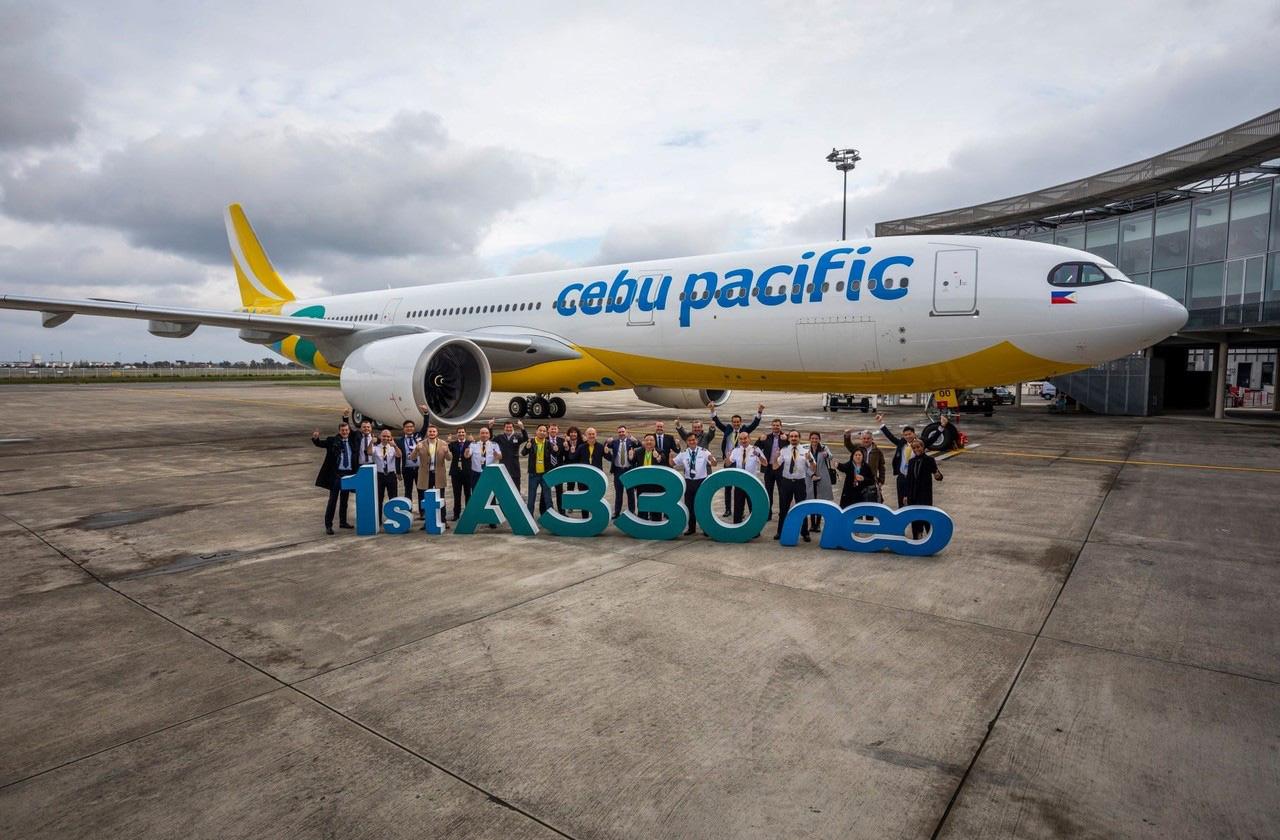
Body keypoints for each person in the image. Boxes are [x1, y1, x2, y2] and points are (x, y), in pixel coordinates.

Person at [711, 402, 764, 515]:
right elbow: (717, 422)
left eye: (737, 422)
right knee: (728, 486)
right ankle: (728, 509)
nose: (736, 423)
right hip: (729, 461)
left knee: (741, 487)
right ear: (732, 423)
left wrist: (759, 412)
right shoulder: (728, 429)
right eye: (734, 422)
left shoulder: (744, 431)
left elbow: (754, 424)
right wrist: (712, 410)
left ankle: (741, 510)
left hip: (741, 462)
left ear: (740, 423)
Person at [312, 420, 358, 534]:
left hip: (348, 474)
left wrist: (346, 418)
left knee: (345, 499)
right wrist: (316, 438)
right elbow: (320, 444)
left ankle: (343, 522)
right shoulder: (332, 440)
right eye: (343, 430)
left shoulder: (352, 441)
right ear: (339, 431)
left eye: (346, 430)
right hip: (336, 474)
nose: (345, 432)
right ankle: (328, 525)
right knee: (333, 500)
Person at [772, 430, 813, 542]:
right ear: (789, 438)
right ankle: (780, 531)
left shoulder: (806, 451)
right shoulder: (784, 451)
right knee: (783, 508)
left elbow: (814, 469)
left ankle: (805, 532)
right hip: (786, 483)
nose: (794, 438)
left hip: (800, 483)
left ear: (799, 438)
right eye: (792, 436)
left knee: (802, 508)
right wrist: (775, 457)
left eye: (796, 436)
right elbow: (775, 467)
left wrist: (809, 459)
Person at [673, 431, 716, 536]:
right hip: (689, 482)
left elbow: (714, 463)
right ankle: (691, 528)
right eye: (689, 440)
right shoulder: (683, 453)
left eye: (693, 440)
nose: (692, 442)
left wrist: (712, 459)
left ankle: (706, 529)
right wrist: (671, 456)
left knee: (703, 506)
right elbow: (673, 463)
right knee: (689, 506)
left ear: (696, 440)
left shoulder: (704, 452)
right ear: (687, 442)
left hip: (701, 482)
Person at [902, 438, 944, 538]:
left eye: (918, 447)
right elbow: (909, 479)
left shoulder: (929, 460)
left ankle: (930, 537)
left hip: (924, 495)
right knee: (915, 517)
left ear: (923, 447)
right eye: (914, 448)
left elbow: (938, 475)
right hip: (913, 494)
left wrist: (938, 475)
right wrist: (905, 495)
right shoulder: (911, 461)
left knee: (926, 516)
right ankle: (917, 536)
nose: (917, 449)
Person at [723, 431, 768, 525]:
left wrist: (759, 455)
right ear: (739, 440)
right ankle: (737, 526)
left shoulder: (755, 449)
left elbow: (765, 463)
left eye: (745, 438)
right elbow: (727, 464)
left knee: (753, 506)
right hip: (740, 482)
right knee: (738, 507)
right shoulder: (736, 450)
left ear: (749, 439)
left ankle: (755, 529)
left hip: (752, 483)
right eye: (741, 439)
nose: (743, 440)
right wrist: (727, 457)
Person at [877, 413, 918, 510]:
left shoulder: (919, 444)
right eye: (905, 435)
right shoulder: (902, 443)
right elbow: (890, 436)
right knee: (901, 501)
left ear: (914, 434)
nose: (907, 436)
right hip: (902, 476)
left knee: (913, 500)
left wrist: (941, 427)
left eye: (909, 434)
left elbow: (931, 440)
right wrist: (881, 423)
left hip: (914, 477)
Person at [464, 426, 502, 529]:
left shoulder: (494, 445)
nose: (484, 435)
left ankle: (492, 520)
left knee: (491, 496)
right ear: (479, 434)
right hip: (476, 473)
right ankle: (475, 517)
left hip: (489, 473)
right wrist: (467, 447)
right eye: (482, 433)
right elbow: (467, 456)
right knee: (476, 495)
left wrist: (496, 455)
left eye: (486, 433)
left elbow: (500, 457)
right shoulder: (474, 444)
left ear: (489, 435)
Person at [412, 425, 450, 525]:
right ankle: (428, 522)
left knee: (441, 498)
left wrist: (447, 452)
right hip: (426, 475)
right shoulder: (421, 444)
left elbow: (449, 458)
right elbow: (412, 457)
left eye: (434, 431)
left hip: (438, 475)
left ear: (437, 433)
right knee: (427, 500)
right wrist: (416, 449)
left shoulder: (443, 443)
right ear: (427, 433)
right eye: (430, 432)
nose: (432, 433)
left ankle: (443, 520)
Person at [604, 424, 640, 518]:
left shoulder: (630, 442)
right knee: (618, 493)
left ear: (626, 432)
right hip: (618, 471)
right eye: (619, 432)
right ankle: (617, 512)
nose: (621, 433)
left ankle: (632, 511)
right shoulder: (615, 442)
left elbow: (640, 445)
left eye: (623, 431)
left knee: (630, 493)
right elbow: (606, 446)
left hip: (629, 470)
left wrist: (635, 440)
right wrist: (607, 441)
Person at [521, 424, 556, 514]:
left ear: (546, 433)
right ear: (536, 432)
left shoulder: (548, 443)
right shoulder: (531, 442)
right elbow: (523, 453)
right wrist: (527, 447)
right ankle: (529, 518)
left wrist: (556, 450)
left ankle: (551, 517)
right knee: (531, 498)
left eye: (544, 431)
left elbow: (555, 455)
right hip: (533, 475)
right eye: (540, 430)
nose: (542, 432)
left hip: (545, 474)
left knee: (548, 498)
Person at [843, 428, 886, 502]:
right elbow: (848, 445)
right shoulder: (857, 448)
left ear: (872, 439)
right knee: (857, 502)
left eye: (868, 438)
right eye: (864, 438)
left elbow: (882, 467)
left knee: (872, 502)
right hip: (858, 480)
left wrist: (881, 481)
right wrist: (847, 436)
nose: (866, 440)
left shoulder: (877, 451)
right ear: (861, 439)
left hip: (871, 481)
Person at [755, 418, 786, 520]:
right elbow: (755, 447)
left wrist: (788, 439)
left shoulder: (785, 438)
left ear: (781, 426)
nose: (775, 427)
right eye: (774, 425)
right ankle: (768, 513)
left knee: (782, 492)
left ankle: (782, 513)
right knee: (768, 492)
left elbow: (795, 444)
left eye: (777, 425)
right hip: (769, 469)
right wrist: (760, 439)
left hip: (781, 469)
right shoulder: (766, 437)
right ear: (771, 426)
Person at [629, 433, 664, 521]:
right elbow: (632, 462)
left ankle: (656, 525)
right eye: (647, 440)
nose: (649, 442)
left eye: (651, 440)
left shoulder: (660, 451)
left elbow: (664, 463)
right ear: (644, 442)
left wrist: (658, 458)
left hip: (655, 485)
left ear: (655, 442)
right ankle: (643, 525)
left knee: (656, 507)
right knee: (642, 507)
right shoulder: (638, 451)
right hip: (642, 484)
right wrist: (630, 457)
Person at [486, 418, 528, 489]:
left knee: (516, 489)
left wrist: (522, 427)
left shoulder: (517, 436)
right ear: (504, 428)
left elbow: (525, 438)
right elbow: (490, 438)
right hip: (504, 465)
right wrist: (490, 427)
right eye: (507, 427)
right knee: (503, 488)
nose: (508, 429)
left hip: (514, 467)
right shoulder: (500, 437)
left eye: (510, 427)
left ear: (513, 428)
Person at [806, 431, 835, 532]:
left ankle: (817, 524)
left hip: (822, 478)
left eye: (816, 438)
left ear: (819, 439)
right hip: (810, 478)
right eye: (812, 438)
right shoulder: (806, 449)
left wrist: (826, 454)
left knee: (820, 500)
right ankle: (812, 524)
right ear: (810, 439)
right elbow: (805, 465)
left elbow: (831, 456)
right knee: (811, 501)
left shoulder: (823, 448)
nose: (814, 440)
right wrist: (812, 475)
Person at [372, 428, 401, 509]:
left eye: (388, 436)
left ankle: (394, 518)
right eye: (384, 436)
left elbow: (399, 455)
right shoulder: (376, 447)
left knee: (393, 498)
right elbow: (369, 452)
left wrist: (395, 445)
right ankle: (379, 519)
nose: (386, 438)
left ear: (391, 437)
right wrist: (371, 442)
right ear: (380, 437)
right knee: (379, 498)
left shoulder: (393, 447)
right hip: (379, 476)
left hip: (391, 475)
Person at [447, 427, 471, 521]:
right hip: (456, 473)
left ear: (465, 433)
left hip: (467, 472)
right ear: (457, 434)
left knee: (468, 493)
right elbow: (447, 453)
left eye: (462, 432)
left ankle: (468, 513)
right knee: (456, 494)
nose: (461, 434)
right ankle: (456, 514)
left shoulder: (470, 444)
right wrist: (448, 443)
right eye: (459, 432)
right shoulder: (453, 444)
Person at [398, 420, 421, 514]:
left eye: (411, 426)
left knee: (421, 490)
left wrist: (426, 414)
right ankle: (408, 510)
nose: (409, 428)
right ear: (404, 429)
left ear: (414, 428)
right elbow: (397, 457)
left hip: (419, 469)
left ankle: (422, 511)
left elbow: (425, 427)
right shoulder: (400, 441)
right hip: (407, 469)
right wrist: (398, 471)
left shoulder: (418, 437)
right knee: (408, 491)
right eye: (407, 427)